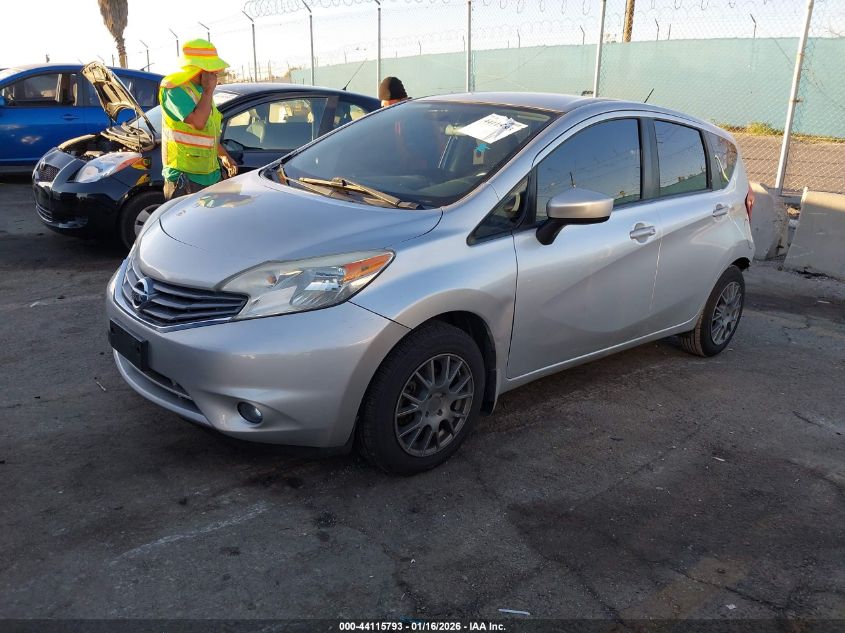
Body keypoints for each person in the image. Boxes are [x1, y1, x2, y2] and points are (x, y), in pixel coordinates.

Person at [159, 39, 238, 201]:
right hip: (184, 178)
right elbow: (198, 123)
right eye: (211, 69)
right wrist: (208, 91)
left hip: (210, 176)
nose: (215, 73)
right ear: (198, 69)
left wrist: (224, 156)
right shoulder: (174, 90)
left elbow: (208, 135)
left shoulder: (200, 91)